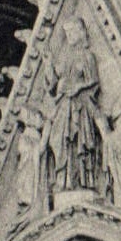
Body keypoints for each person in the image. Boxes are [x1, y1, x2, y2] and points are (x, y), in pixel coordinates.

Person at [43, 17, 106, 192]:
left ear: (81, 32)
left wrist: (77, 87)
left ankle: (79, 181)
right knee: (59, 140)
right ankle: (63, 181)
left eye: (72, 31)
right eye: (67, 32)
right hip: (63, 108)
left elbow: (93, 83)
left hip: (80, 108)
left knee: (79, 142)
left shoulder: (88, 56)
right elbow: (53, 85)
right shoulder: (64, 59)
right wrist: (48, 64)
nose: (69, 35)